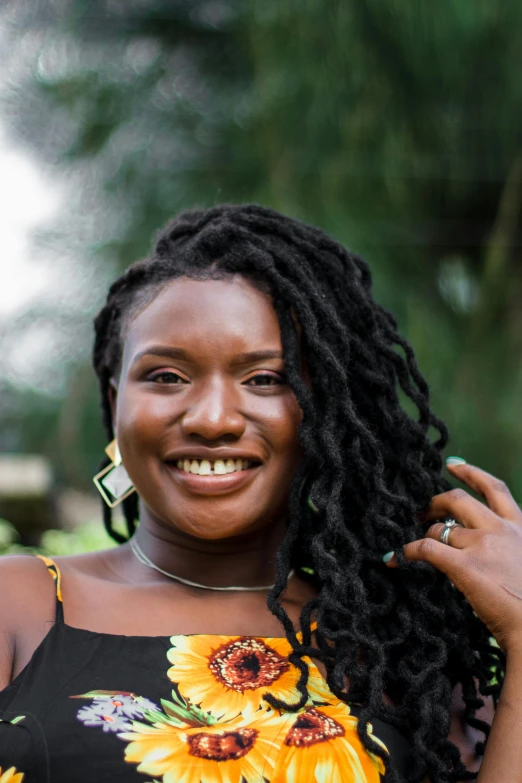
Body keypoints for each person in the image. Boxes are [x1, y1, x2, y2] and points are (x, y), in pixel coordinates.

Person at [0, 203, 520, 783]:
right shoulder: (17, 607)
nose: (213, 419)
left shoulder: (407, 655)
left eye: (266, 379)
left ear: (327, 414)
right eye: (167, 376)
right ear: (115, 395)